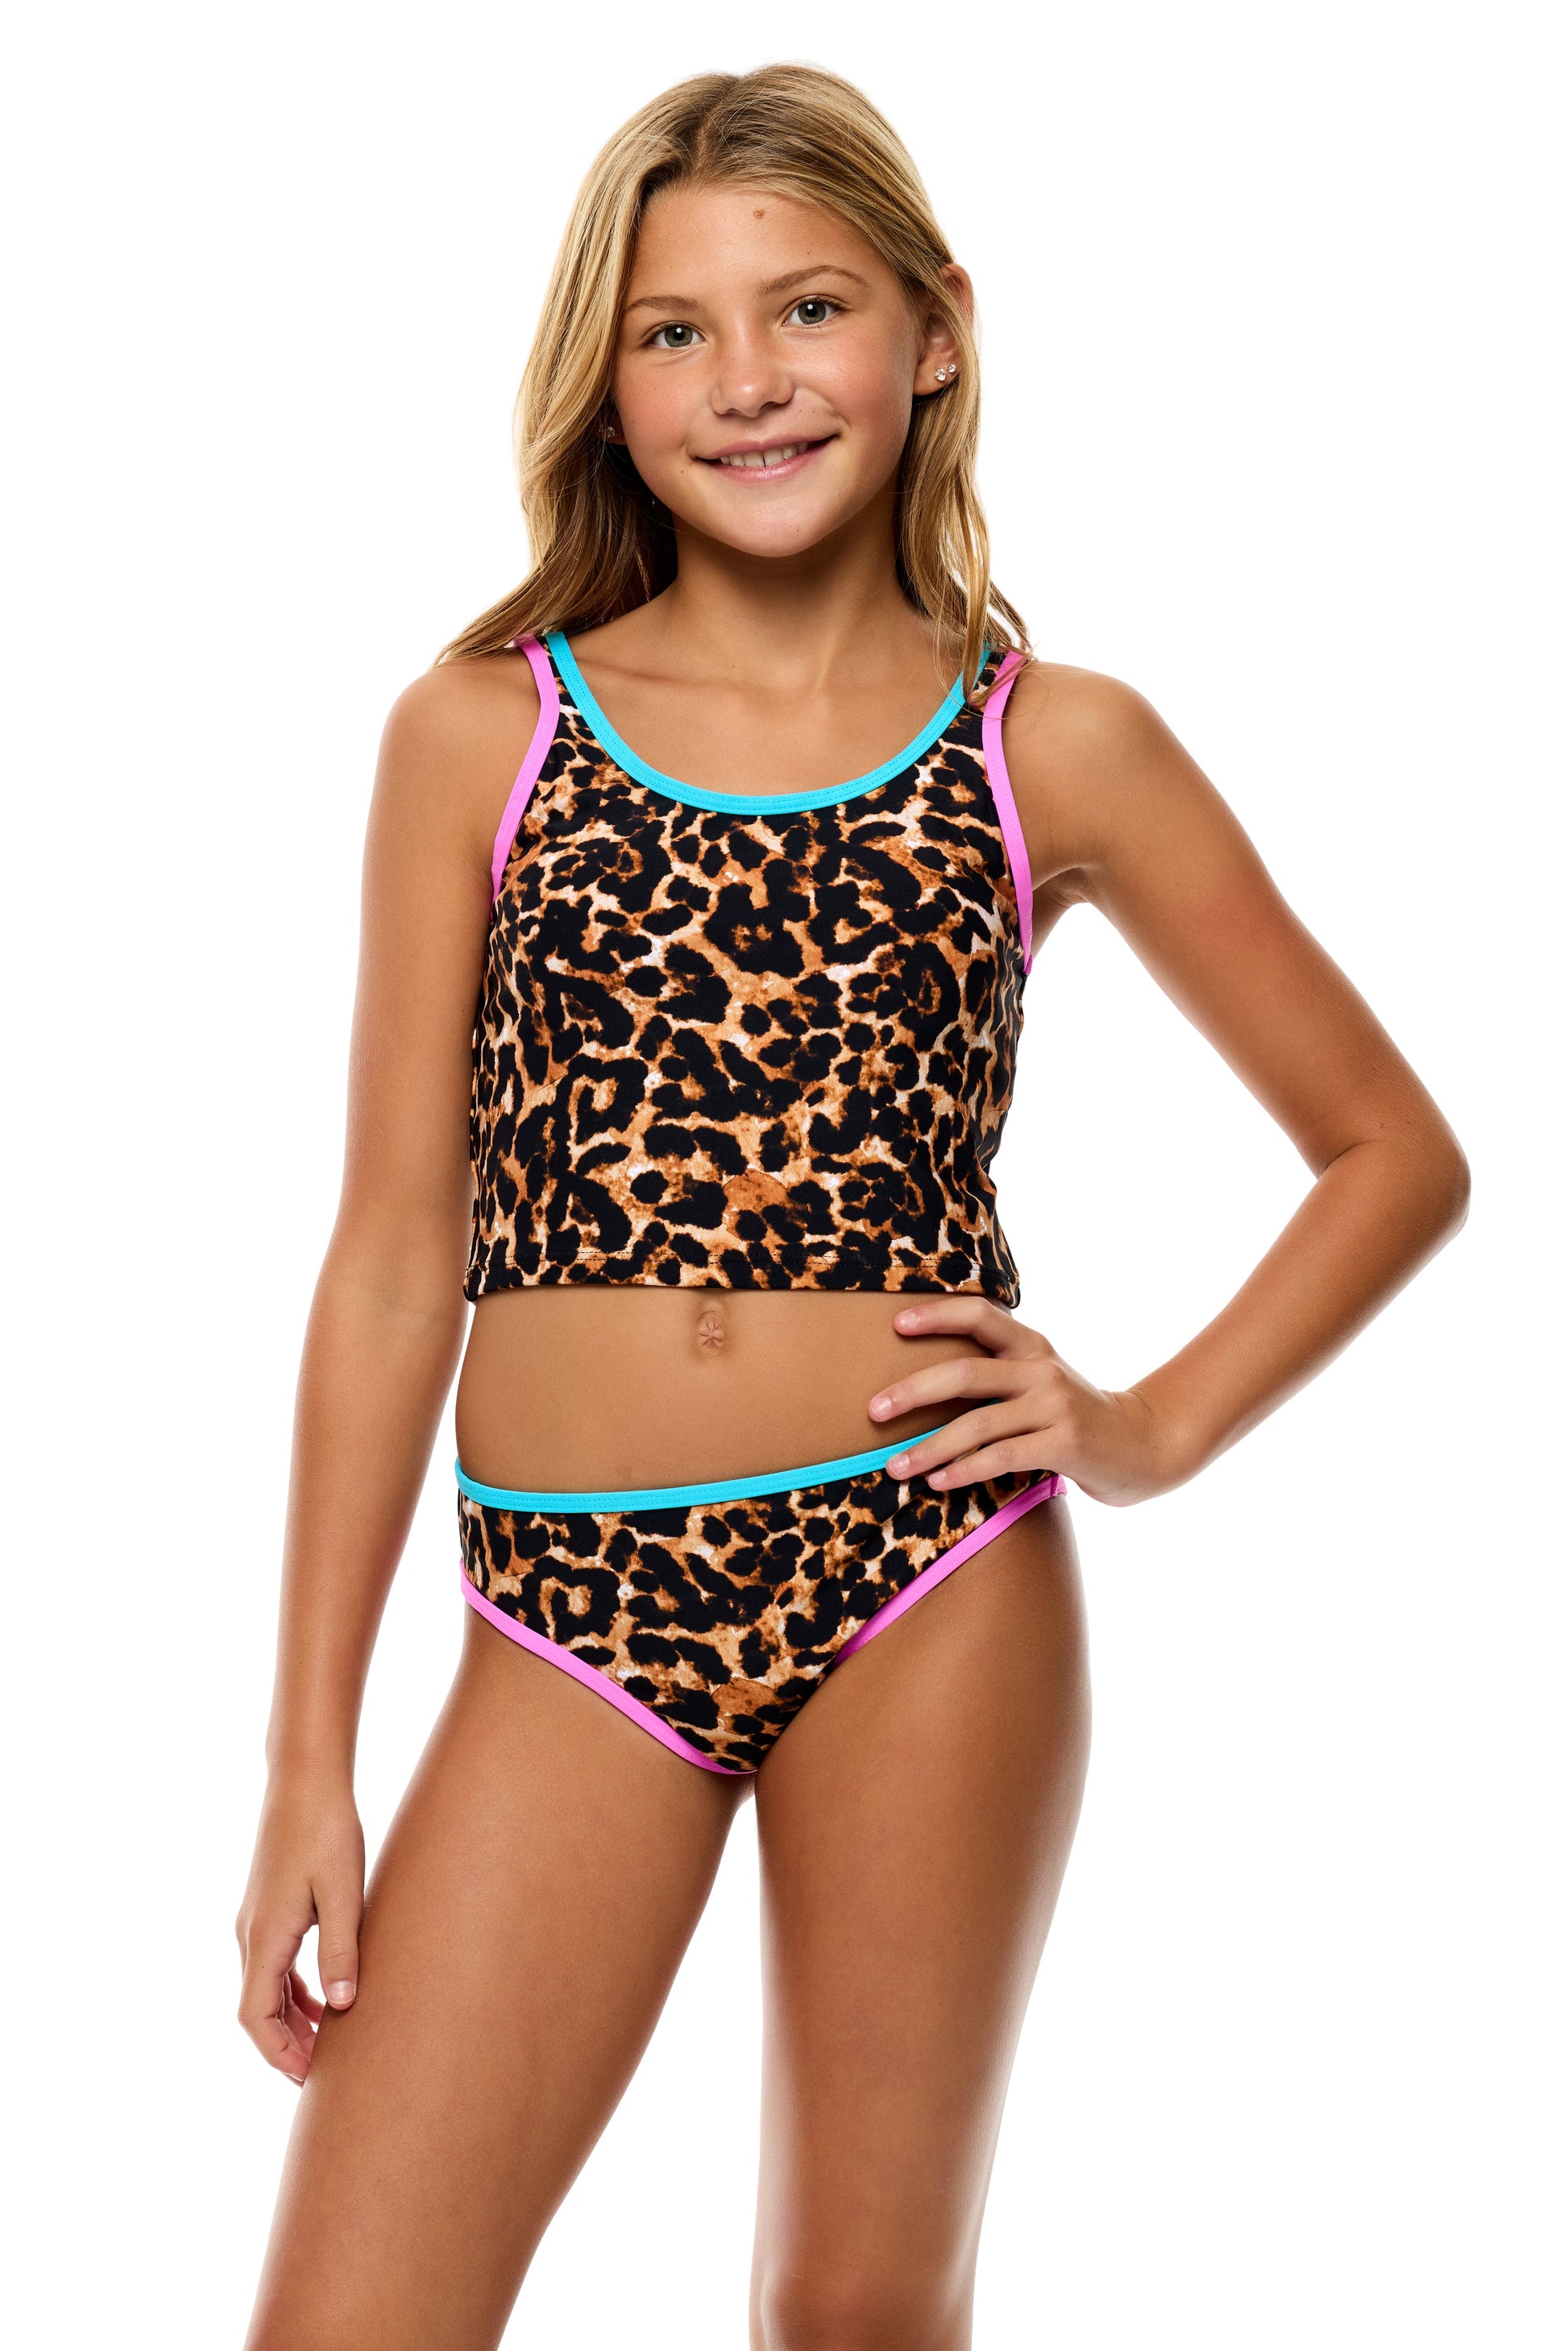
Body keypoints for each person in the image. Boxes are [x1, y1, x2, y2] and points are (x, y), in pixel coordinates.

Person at [235, 63, 1468, 2351]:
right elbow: (395, 1259)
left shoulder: (1049, 742)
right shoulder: (481, 732)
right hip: (566, 1609)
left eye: (806, 307)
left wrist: (1142, 1426)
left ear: (934, 330)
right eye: (675, 330)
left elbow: (1392, 1152)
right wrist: (311, 1748)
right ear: (607, 386)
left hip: (927, 1575)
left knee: (856, 2311)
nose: (749, 378)